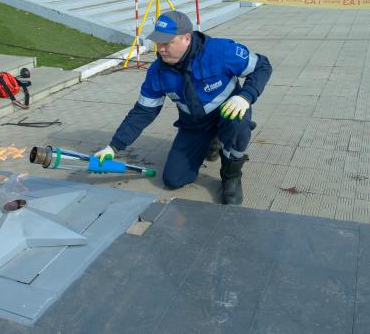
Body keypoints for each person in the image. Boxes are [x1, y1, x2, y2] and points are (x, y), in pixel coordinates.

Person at [95, 11, 272, 205]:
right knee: (174, 179)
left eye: (166, 43)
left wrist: (245, 96)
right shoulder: (157, 72)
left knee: (238, 123)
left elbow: (262, 66)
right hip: (195, 126)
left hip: (227, 114)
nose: (160, 49)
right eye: (157, 42)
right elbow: (143, 111)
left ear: (186, 38)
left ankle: (231, 175)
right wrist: (114, 146)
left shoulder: (219, 50)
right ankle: (212, 140)